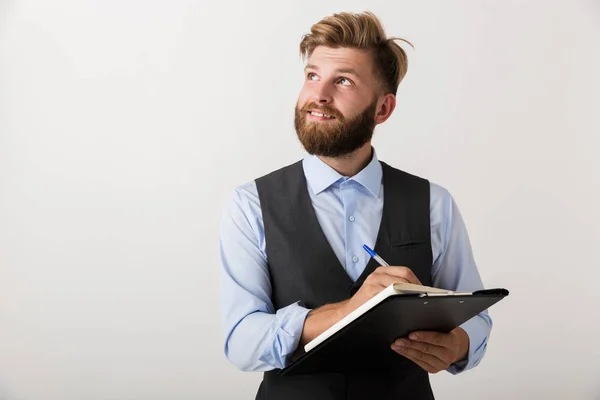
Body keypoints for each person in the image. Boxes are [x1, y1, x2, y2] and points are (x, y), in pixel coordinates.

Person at [219, 11, 493, 400]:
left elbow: (475, 315)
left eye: (343, 81)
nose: (319, 95)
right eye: (312, 76)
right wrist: (350, 310)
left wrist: (459, 344)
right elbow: (241, 342)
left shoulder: (434, 203)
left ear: (383, 109)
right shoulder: (250, 205)